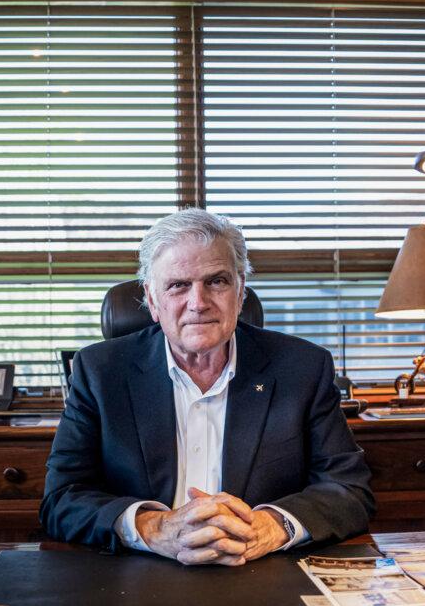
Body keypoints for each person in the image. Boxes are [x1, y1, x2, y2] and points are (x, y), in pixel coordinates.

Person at [41, 209, 375, 564]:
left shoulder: (302, 368)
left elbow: (349, 490)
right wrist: (154, 527)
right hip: (139, 573)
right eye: (178, 285)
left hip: (265, 572)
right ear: (152, 301)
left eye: (216, 281)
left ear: (240, 291)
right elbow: (62, 498)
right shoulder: (101, 372)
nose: (198, 303)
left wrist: (269, 526)